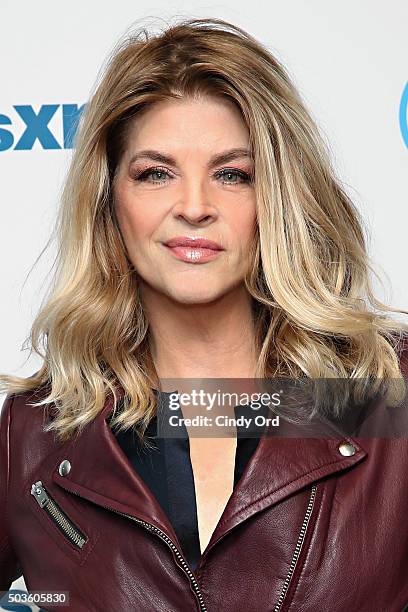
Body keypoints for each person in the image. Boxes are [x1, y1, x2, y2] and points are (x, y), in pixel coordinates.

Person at [1, 16, 408, 612]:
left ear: (277, 198)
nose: (194, 206)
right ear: (109, 199)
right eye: (156, 173)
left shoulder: (390, 394)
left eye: (232, 174)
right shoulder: (35, 435)